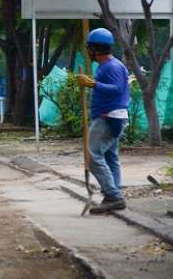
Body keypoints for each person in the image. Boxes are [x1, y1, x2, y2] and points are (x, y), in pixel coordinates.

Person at [76, 28, 130, 214]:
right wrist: (93, 82)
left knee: (92, 156)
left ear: (96, 49)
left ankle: (113, 195)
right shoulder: (107, 66)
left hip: (109, 117)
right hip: (112, 116)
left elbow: (116, 89)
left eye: (89, 48)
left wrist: (92, 83)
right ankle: (113, 194)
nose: (88, 52)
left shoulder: (113, 66)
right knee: (110, 156)